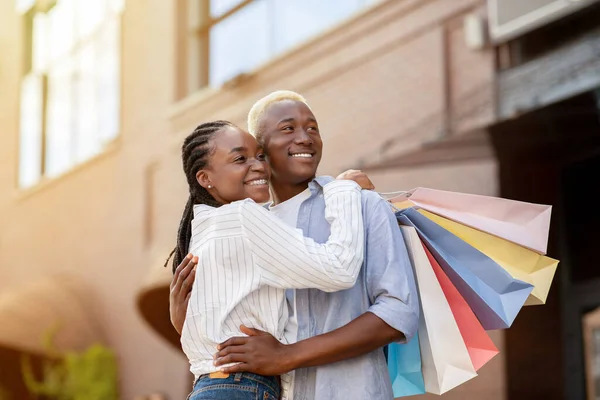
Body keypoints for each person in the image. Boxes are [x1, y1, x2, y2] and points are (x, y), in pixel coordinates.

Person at [171, 91, 420, 399]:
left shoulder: (360, 204)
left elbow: (399, 311)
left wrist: (287, 355)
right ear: (262, 147)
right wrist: (186, 322)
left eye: (313, 128)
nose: (305, 137)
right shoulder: (245, 224)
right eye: (288, 128)